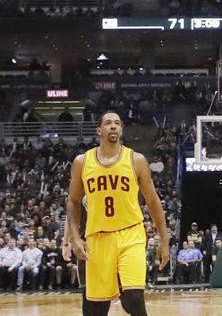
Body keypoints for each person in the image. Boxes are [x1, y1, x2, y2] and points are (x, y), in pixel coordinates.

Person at [67, 111, 171, 316]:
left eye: (117, 123)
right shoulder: (82, 162)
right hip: (98, 238)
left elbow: (152, 201)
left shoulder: (136, 160)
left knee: (133, 298)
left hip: (130, 234)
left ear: (121, 130)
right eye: (108, 123)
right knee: (95, 308)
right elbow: (73, 201)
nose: (113, 126)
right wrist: (74, 238)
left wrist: (164, 239)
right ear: (99, 130)